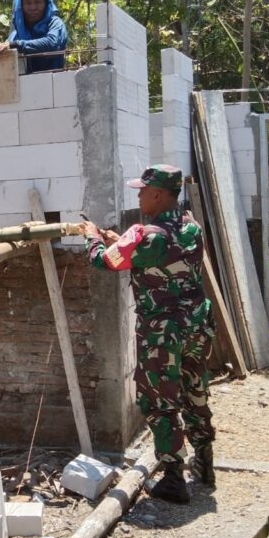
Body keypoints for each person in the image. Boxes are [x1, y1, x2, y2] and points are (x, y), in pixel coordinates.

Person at [81, 165, 216, 504]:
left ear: (158, 194)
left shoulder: (147, 234)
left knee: (161, 401)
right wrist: (121, 240)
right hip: (196, 325)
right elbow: (153, 255)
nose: (138, 195)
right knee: (194, 389)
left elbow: (103, 261)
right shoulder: (190, 227)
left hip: (163, 332)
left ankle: (173, 478)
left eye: (142, 190)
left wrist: (92, 237)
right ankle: (205, 460)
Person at [0, 0, 68, 73]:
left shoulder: (55, 23)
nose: (33, 7)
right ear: (21, 6)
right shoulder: (15, 34)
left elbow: (52, 43)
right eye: (28, 3)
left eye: (38, 2)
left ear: (46, 4)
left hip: (54, 81)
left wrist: (16, 45)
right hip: (23, 84)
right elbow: (6, 52)